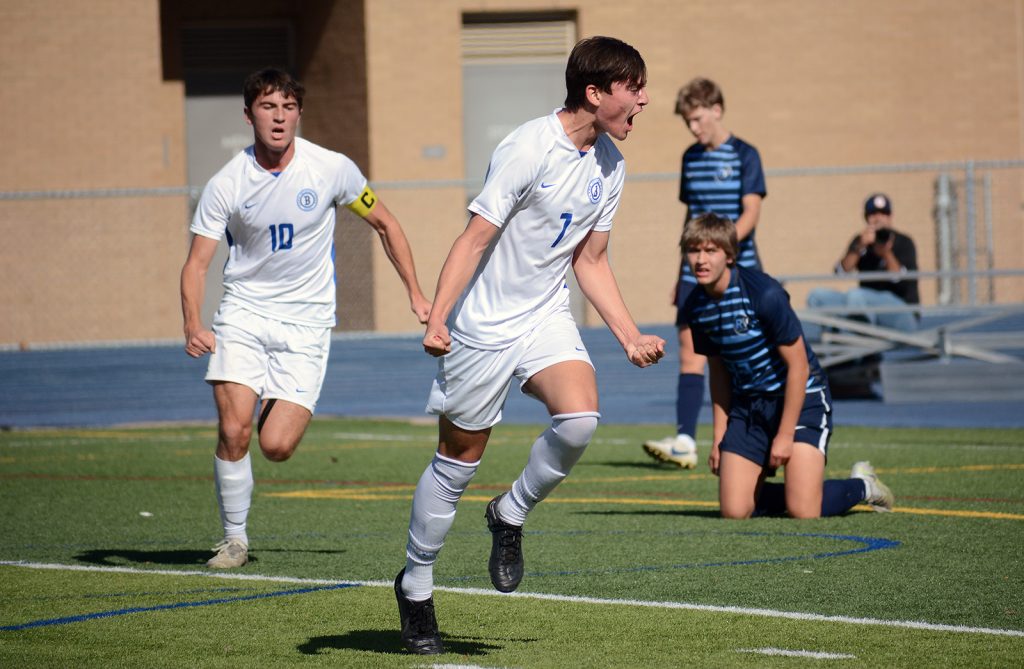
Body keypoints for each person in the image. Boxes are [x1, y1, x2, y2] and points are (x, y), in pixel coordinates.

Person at [393, 36, 665, 655]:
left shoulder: (611, 163)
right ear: (594, 93)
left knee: (580, 419)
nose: (644, 100)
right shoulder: (527, 147)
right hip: (486, 327)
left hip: (545, 316)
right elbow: (473, 240)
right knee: (457, 464)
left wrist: (629, 336)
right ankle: (415, 584)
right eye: (634, 88)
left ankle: (509, 513)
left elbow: (590, 260)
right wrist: (438, 319)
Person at [180, 67, 431, 569]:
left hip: (307, 324)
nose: (279, 117)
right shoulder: (226, 183)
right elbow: (197, 264)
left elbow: (385, 223)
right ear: (248, 114)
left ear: (299, 114)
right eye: (268, 107)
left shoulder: (332, 169)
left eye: (288, 107)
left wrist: (416, 294)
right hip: (244, 314)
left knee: (275, 446)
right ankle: (234, 540)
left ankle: (274, 399)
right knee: (234, 429)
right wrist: (193, 323)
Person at [679, 213, 894, 519]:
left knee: (803, 510)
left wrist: (784, 435)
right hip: (749, 406)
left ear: (729, 256)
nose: (700, 259)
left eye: (710, 250)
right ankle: (783, 489)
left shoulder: (764, 294)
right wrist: (719, 438)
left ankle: (862, 485)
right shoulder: (695, 305)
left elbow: (799, 367)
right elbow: (718, 372)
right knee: (735, 511)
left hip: (802, 400)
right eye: (693, 250)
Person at [642, 77, 766, 469]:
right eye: (687, 122)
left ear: (717, 110)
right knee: (690, 353)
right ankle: (684, 440)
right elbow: (691, 216)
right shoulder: (690, 158)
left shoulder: (745, 154)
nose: (693, 127)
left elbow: (751, 213)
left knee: (743, 352)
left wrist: (723, 252)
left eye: (697, 119)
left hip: (739, 268)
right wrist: (682, 270)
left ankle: (750, 434)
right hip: (693, 273)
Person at [805, 193, 919, 339]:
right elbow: (841, 272)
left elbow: (902, 281)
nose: (878, 218)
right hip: (863, 304)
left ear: (890, 217)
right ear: (866, 218)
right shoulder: (861, 241)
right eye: (873, 214)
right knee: (817, 296)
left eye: (883, 213)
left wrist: (886, 253)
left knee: (857, 295)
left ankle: (860, 345)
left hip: (902, 311)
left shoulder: (904, 241)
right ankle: (834, 339)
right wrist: (859, 247)